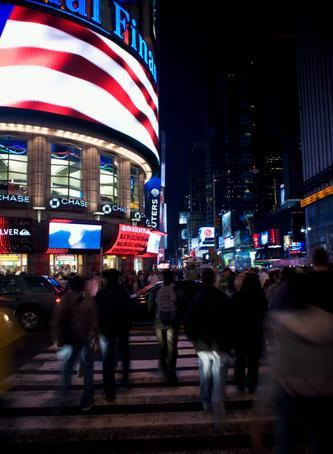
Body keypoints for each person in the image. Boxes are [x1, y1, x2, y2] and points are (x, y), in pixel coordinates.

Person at [267, 248, 333, 453]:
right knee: (321, 435)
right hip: (325, 378)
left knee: (287, 434)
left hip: (292, 381)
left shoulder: (300, 286)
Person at [184, 268, 233, 428]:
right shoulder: (223, 298)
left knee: (205, 375)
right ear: (214, 280)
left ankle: (205, 403)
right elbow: (231, 323)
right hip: (221, 345)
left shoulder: (197, 298)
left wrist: (195, 340)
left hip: (203, 345)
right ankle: (219, 414)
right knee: (219, 380)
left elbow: (189, 322)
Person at [54, 275, 96, 411]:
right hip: (83, 338)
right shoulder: (88, 300)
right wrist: (96, 337)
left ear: (70, 286)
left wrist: (59, 339)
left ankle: (64, 394)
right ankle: (87, 399)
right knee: (88, 369)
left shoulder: (64, 300)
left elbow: (57, 321)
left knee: (67, 367)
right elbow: (94, 321)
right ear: (83, 286)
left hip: (69, 339)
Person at [95, 269, 132, 401]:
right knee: (124, 355)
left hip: (107, 331)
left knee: (108, 361)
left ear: (106, 279)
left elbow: (96, 313)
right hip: (122, 329)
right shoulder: (123, 292)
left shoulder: (101, 294)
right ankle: (125, 380)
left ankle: (109, 391)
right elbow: (129, 310)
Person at [232, 272, 267, 393]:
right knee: (253, 362)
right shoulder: (261, 297)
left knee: (240, 359)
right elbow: (264, 315)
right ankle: (252, 385)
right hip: (256, 333)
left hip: (240, 333)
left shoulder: (237, 296)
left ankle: (240, 384)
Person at [148, 270, 184, 385]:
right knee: (172, 348)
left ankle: (162, 367)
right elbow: (183, 305)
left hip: (159, 322)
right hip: (172, 322)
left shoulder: (157, 289)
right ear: (173, 278)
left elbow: (150, 306)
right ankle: (171, 374)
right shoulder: (178, 290)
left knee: (162, 346)